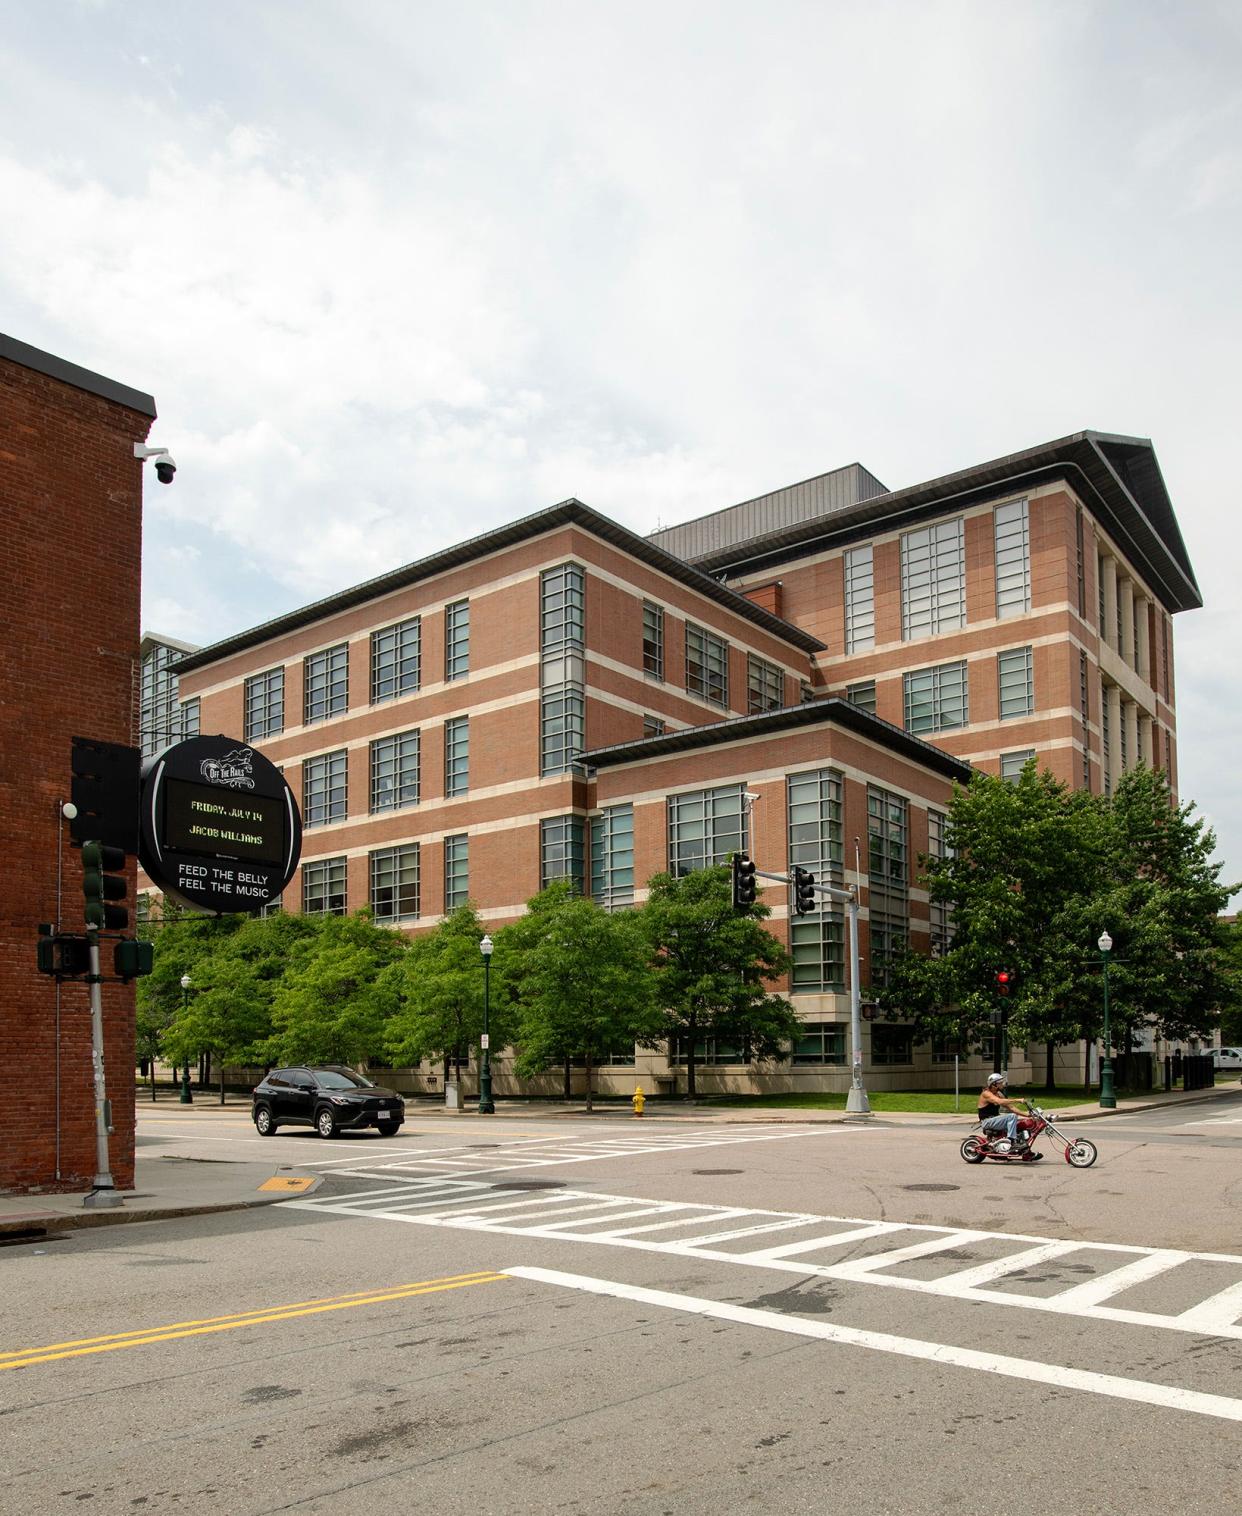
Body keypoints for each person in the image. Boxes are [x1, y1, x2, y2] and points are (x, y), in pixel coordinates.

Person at [977, 1073, 1042, 1160]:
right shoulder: (986, 1093)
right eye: (1000, 1082)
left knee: (1021, 1126)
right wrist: (1017, 1100)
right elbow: (999, 1102)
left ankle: (1026, 1153)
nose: (1003, 1084)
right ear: (994, 1084)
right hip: (987, 1121)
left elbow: (1011, 1107)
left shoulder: (999, 1093)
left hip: (995, 1120)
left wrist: (1028, 1115)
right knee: (1011, 1117)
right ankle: (1012, 1142)